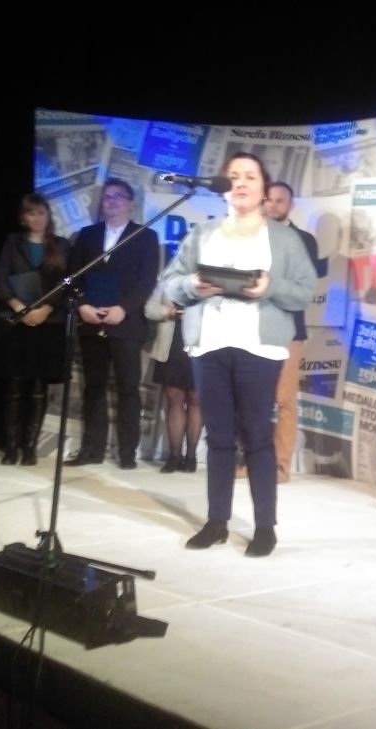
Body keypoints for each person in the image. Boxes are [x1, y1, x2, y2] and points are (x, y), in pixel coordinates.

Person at [160, 153, 316, 557]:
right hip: (210, 345)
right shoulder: (203, 233)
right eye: (233, 176)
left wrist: (269, 287)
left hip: (258, 348)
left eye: (250, 176)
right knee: (218, 437)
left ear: (264, 189)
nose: (241, 183)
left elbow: (304, 291)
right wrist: (192, 285)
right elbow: (170, 283)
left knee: (258, 436)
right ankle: (217, 522)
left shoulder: (283, 238)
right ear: (223, 187)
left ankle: (265, 526)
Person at [64, 178, 159, 470]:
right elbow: (74, 277)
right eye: (107, 197)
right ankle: (91, 449)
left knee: (128, 388)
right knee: (93, 387)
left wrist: (124, 309)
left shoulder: (145, 236)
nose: (112, 201)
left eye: (118, 196)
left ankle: (127, 452)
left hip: (126, 325)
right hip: (91, 321)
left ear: (131, 203)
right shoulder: (87, 235)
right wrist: (82, 306)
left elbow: (146, 281)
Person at [0, 192, 71, 466]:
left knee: (38, 385)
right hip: (15, 321)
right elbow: (0, 279)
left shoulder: (61, 245)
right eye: (32, 213)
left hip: (47, 323)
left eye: (41, 213)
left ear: (48, 217)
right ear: (23, 218)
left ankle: (30, 447)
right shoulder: (12, 242)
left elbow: (65, 283)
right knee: (14, 384)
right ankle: (11, 447)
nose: (37, 218)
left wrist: (46, 309)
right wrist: (18, 307)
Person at [263, 181, 327, 483]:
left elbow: (301, 285)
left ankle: (280, 465)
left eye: (280, 200)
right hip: (254, 327)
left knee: (285, 398)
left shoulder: (305, 240)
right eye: (270, 199)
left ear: (291, 205)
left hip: (290, 329)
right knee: (254, 399)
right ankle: (253, 460)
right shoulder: (252, 235)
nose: (273, 205)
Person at [145, 282, 201, 473]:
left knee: (195, 398)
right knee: (173, 397)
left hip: (199, 344)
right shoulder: (168, 280)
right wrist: (168, 312)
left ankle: (191, 457)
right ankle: (174, 456)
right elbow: (149, 308)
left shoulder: (210, 279)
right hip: (172, 342)